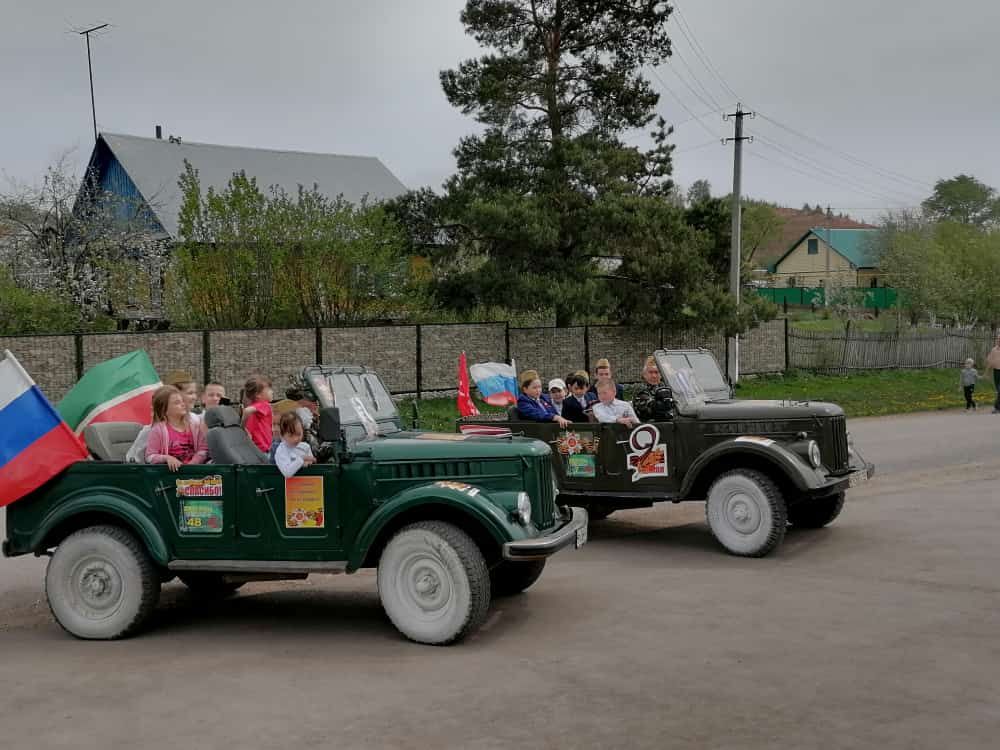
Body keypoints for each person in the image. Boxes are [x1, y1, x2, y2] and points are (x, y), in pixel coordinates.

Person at [145, 385, 208, 470]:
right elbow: (150, 457)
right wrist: (167, 458)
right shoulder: (157, 430)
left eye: (182, 401)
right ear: (164, 409)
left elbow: (203, 450)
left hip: (194, 473)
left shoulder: (195, 425)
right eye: (177, 402)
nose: (183, 404)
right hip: (170, 475)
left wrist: (192, 465)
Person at [273, 412, 316, 478]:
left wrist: (311, 461)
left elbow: (312, 463)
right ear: (282, 435)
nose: (296, 439)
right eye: (291, 435)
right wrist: (302, 459)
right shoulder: (281, 451)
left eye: (298, 434)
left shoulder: (305, 447)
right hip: (287, 487)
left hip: (307, 484)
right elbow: (287, 473)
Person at [242, 375, 275, 453]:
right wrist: (242, 427)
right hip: (263, 449)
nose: (272, 391)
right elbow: (246, 411)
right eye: (269, 389)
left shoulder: (254, 406)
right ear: (258, 395)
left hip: (253, 449)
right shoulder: (264, 405)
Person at [631, 356, 663, 421]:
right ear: (644, 374)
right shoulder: (641, 388)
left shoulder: (664, 386)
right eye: (651, 372)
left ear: (661, 374)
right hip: (647, 425)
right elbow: (647, 409)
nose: (654, 376)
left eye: (656, 372)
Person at [987, 335, 1000, 414]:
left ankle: (996, 407)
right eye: (998, 339)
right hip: (996, 372)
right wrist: (987, 372)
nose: (999, 340)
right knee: (998, 390)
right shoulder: (994, 350)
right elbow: (990, 361)